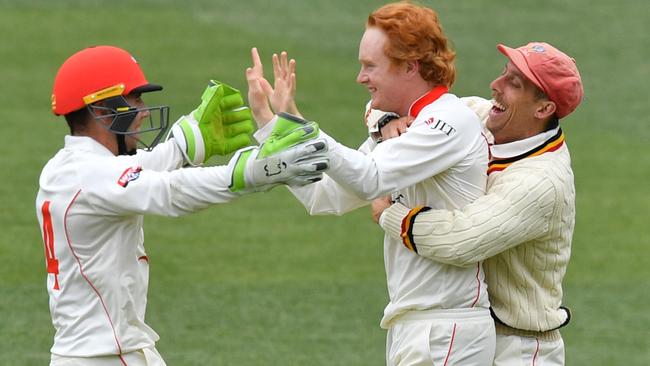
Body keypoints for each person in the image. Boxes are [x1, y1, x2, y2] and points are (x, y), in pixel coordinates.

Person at [36, 45, 328, 366]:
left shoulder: (70, 167)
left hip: (108, 352)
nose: (144, 111)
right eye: (135, 100)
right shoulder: (89, 174)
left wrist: (187, 142)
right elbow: (169, 190)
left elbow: (143, 168)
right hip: (105, 357)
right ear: (103, 112)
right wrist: (254, 172)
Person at [246, 2, 496, 365]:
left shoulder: (448, 121)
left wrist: (300, 126)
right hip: (415, 325)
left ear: (410, 66)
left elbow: (368, 179)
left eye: (369, 66)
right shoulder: (399, 128)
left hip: (446, 328)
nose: (360, 78)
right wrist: (269, 124)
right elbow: (323, 197)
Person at [373, 41, 584, 365]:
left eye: (514, 83)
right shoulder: (479, 115)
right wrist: (386, 121)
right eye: (504, 73)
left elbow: (461, 240)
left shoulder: (542, 182)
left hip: (520, 349)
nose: (495, 86)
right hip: (472, 336)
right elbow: (400, 99)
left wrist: (391, 213)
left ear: (543, 109)